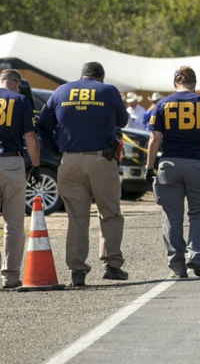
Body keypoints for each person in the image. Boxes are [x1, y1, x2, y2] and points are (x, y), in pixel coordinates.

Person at [36, 61, 129, 286]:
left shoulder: (61, 91)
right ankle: (112, 265)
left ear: (82, 75)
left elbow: (42, 126)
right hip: (100, 160)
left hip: (69, 161)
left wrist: (55, 151)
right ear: (101, 77)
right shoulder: (108, 91)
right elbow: (123, 121)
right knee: (109, 212)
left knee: (77, 218)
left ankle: (77, 271)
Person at [144, 67, 200, 279]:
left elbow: (155, 138)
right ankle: (196, 257)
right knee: (199, 212)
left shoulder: (162, 104)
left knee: (171, 216)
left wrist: (149, 165)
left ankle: (177, 267)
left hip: (170, 164)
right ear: (195, 84)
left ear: (175, 84)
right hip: (199, 164)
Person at [0, 69, 41, 289]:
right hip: (11, 161)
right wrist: (36, 165)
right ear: (16, 83)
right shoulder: (20, 100)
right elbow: (30, 137)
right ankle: (10, 276)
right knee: (14, 223)